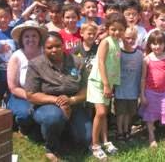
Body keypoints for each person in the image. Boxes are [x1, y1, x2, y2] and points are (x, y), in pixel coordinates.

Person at [25, 32, 92, 161]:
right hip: (47, 105)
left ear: (63, 45)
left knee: (85, 139)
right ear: (43, 48)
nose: (54, 50)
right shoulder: (35, 64)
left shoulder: (78, 62)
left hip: (74, 103)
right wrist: (58, 101)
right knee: (53, 118)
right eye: (49, 47)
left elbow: (85, 88)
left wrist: (71, 101)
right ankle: (51, 146)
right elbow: (31, 95)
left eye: (58, 46)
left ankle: (59, 132)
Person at [87, 13, 127, 160]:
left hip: (108, 84)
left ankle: (105, 141)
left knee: (105, 113)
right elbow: (101, 63)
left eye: (120, 29)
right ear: (108, 29)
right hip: (99, 82)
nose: (117, 32)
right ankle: (95, 144)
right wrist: (105, 84)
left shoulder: (118, 43)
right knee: (101, 112)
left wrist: (111, 84)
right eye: (113, 29)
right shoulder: (106, 42)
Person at [140, 30, 165, 147]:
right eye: (154, 43)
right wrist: (142, 95)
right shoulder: (147, 59)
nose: (157, 46)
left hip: (164, 93)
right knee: (150, 115)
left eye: (160, 43)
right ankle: (151, 137)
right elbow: (143, 78)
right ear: (149, 45)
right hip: (150, 92)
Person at [7, 20, 46, 134]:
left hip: (44, 94)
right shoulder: (16, 57)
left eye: (34, 36)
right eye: (27, 36)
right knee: (25, 114)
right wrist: (32, 97)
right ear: (21, 39)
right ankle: (21, 126)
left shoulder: (46, 53)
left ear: (39, 38)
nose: (31, 39)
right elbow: (13, 87)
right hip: (21, 95)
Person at [115, 27, 143, 141]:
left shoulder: (139, 54)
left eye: (133, 38)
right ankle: (119, 131)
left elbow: (142, 72)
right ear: (122, 38)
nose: (130, 40)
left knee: (129, 112)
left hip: (133, 89)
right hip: (120, 89)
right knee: (120, 112)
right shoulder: (118, 53)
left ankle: (127, 130)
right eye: (127, 38)